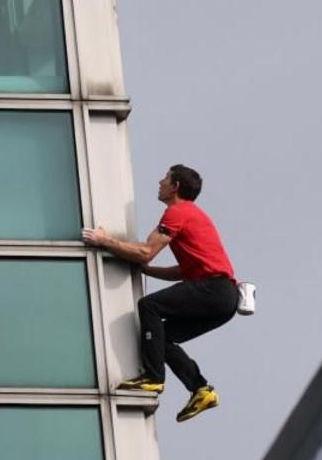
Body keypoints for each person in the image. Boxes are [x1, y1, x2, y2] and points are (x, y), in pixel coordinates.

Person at [82, 164, 237, 422]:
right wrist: (146, 270)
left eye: (165, 178)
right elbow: (181, 271)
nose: (159, 181)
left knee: (149, 306)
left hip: (213, 289)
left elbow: (146, 250)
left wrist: (104, 240)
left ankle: (153, 379)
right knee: (162, 339)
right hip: (223, 296)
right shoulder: (192, 215)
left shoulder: (178, 212)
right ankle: (201, 389)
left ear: (175, 186)